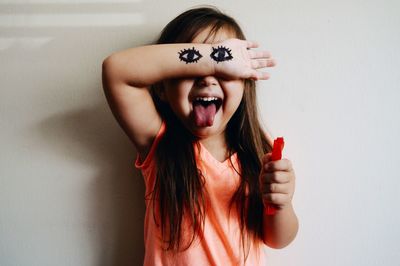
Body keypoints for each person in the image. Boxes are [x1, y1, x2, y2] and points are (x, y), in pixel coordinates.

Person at [102, 6, 298, 266]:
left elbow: (277, 239)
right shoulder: (159, 143)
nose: (208, 77)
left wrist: (282, 203)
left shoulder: (259, 153)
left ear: (245, 84)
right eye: (196, 66)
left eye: (226, 68)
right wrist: (219, 57)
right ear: (162, 87)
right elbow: (115, 70)